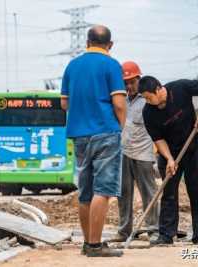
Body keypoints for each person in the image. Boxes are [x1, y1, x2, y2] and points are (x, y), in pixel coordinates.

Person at [60, 25, 127, 257]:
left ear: (87, 42)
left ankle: (88, 242)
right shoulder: (111, 64)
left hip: (79, 135)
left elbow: (64, 104)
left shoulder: (72, 66)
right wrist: (121, 126)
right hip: (105, 132)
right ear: (110, 44)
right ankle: (96, 246)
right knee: (104, 190)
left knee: (85, 191)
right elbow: (119, 103)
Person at [138, 76, 198, 245]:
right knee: (169, 192)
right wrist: (170, 159)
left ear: (158, 89)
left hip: (194, 147)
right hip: (169, 152)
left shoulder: (180, 88)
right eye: (145, 99)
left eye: (149, 97)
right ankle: (166, 234)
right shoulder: (148, 112)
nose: (148, 102)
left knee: (197, 190)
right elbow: (158, 140)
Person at [108, 61, 159, 242]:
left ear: (139, 79)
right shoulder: (120, 100)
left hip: (144, 154)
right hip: (123, 152)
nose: (129, 86)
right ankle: (124, 231)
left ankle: (153, 229)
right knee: (123, 193)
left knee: (149, 192)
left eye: (132, 81)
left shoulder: (148, 99)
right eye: (126, 82)